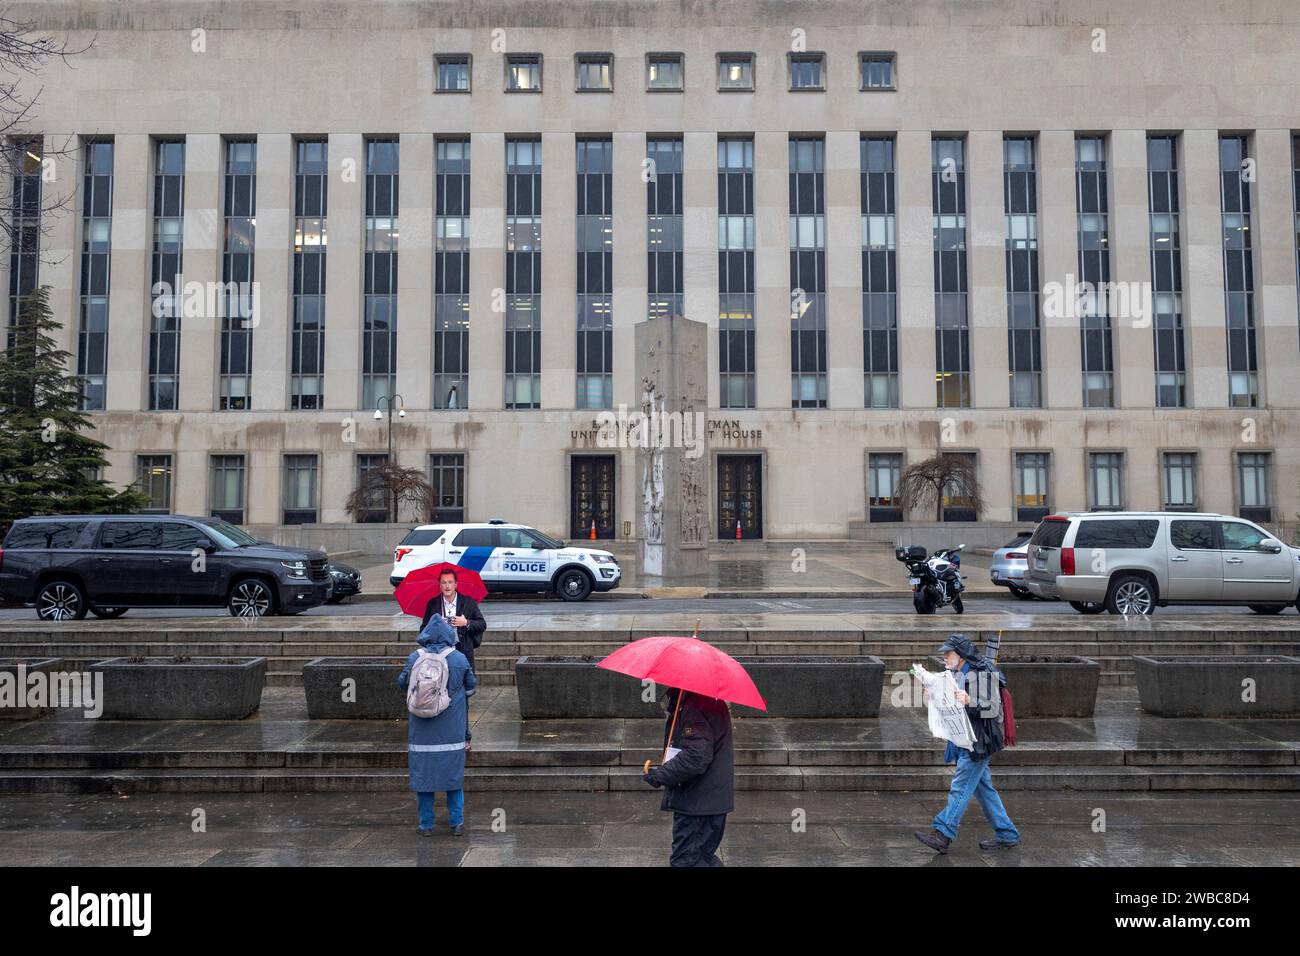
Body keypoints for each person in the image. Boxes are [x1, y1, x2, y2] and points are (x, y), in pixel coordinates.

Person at [914, 633, 1021, 854]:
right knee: (984, 791)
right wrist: (933, 692)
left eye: (948, 652)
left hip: (978, 742)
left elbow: (992, 708)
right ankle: (1007, 834)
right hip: (966, 738)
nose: (944, 656)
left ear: (961, 655)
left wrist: (970, 700)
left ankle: (942, 834)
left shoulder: (983, 672)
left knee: (960, 788)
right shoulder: (955, 673)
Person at [397, 615, 476, 837]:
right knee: (453, 778)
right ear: (449, 636)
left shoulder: (415, 657)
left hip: (421, 732)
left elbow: (402, 683)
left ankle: (426, 824)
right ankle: (456, 822)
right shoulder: (459, 659)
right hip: (452, 729)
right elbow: (471, 686)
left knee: (424, 779)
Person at [642, 687, 734, 867]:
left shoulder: (695, 704)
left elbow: (696, 756)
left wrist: (661, 775)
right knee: (700, 859)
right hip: (705, 801)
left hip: (697, 803)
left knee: (687, 861)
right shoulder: (702, 700)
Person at [420, 568, 487, 674]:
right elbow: (423, 630)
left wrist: (466, 623)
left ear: (456, 584)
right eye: (444, 582)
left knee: (462, 686)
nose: (447, 586)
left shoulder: (468, 602)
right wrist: (436, 627)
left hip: (463, 652)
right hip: (439, 654)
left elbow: (482, 624)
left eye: (450, 582)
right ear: (440, 585)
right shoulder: (433, 604)